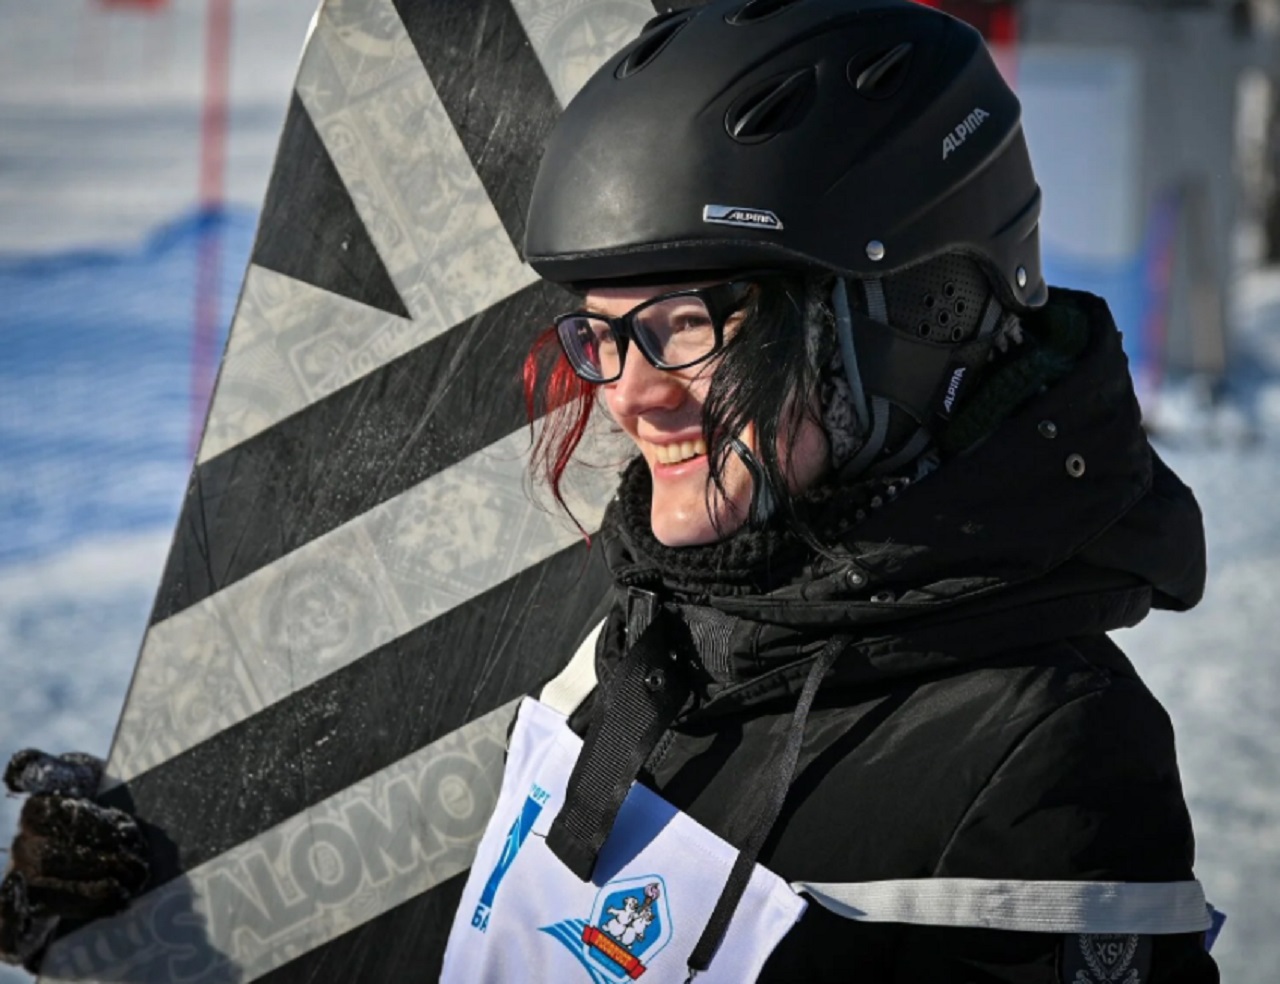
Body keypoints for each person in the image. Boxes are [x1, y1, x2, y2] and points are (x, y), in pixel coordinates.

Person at [2, 1, 1219, 981]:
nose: (632, 396)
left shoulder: (1042, 756)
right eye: (600, 332)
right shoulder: (641, 635)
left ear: (913, 319)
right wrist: (170, 901)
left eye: (684, 325)